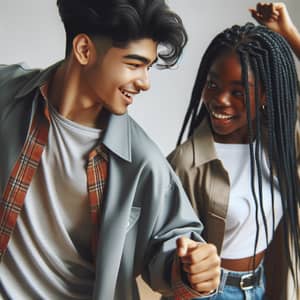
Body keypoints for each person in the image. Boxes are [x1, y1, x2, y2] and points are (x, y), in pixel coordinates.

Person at [0, 0, 221, 299]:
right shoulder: (7, 94)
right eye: (134, 64)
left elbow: (171, 249)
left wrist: (194, 269)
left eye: (149, 67)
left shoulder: (143, 162)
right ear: (84, 50)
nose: (145, 82)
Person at [168, 22, 300, 300]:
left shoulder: (281, 141)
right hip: (211, 294)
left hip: (263, 284)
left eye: (238, 92)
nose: (220, 100)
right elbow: (162, 253)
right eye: (213, 84)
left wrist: (290, 37)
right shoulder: (186, 164)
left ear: (265, 94)